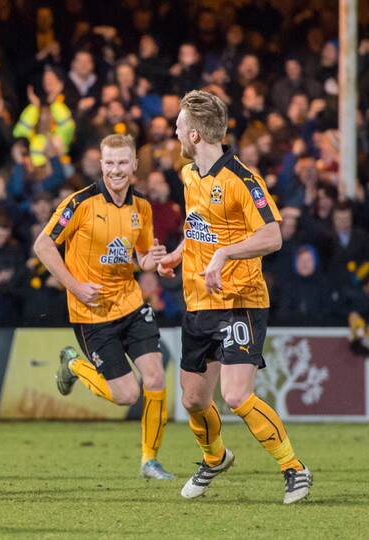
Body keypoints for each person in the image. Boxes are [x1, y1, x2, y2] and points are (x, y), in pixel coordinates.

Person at [158, 90, 311, 504]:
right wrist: (177, 254)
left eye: (178, 126)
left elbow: (272, 236)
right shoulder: (189, 175)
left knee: (237, 395)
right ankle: (215, 458)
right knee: (193, 400)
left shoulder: (243, 180)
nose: (175, 132)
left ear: (194, 134)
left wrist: (224, 254)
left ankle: (294, 469)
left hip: (240, 299)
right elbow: (198, 227)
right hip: (198, 301)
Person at [33, 133, 174, 480]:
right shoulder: (79, 203)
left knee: (155, 376)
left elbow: (142, 257)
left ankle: (150, 461)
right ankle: (73, 365)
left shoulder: (142, 207)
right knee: (127, 395)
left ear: (134, 165)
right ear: (101, 164)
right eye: (110, 163)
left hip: (131, 303)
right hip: (92, 312)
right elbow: (43, 245)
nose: (116, 170)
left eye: (123, 162)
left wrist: (153, 260)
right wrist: (75, 286)